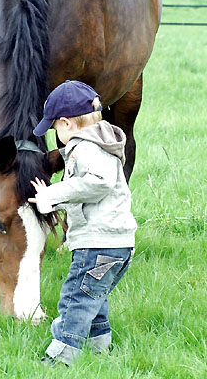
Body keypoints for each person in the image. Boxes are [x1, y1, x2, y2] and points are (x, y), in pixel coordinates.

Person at [28, 80, 137, 365]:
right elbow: (84, 192)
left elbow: (97, 184)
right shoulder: (101, 144)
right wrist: (51, 199)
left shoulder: (85, 148)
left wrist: (53, 192)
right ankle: (99, 346)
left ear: (67, 123)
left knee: (76, 299)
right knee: (94, 299)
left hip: (98, 245)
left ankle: (61, 356)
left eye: (54, 129)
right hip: (118, 244)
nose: (56, 134)